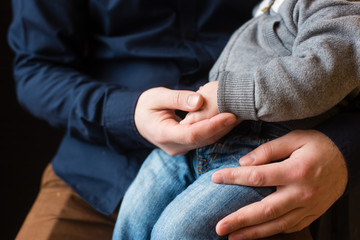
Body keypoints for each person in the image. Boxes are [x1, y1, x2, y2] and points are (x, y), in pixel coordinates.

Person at [7, 0, 360, 239]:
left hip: (267, 161)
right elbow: (36, 67)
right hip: (97, 173)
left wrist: (344, 149)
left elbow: (338, 58)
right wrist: (126, 114)